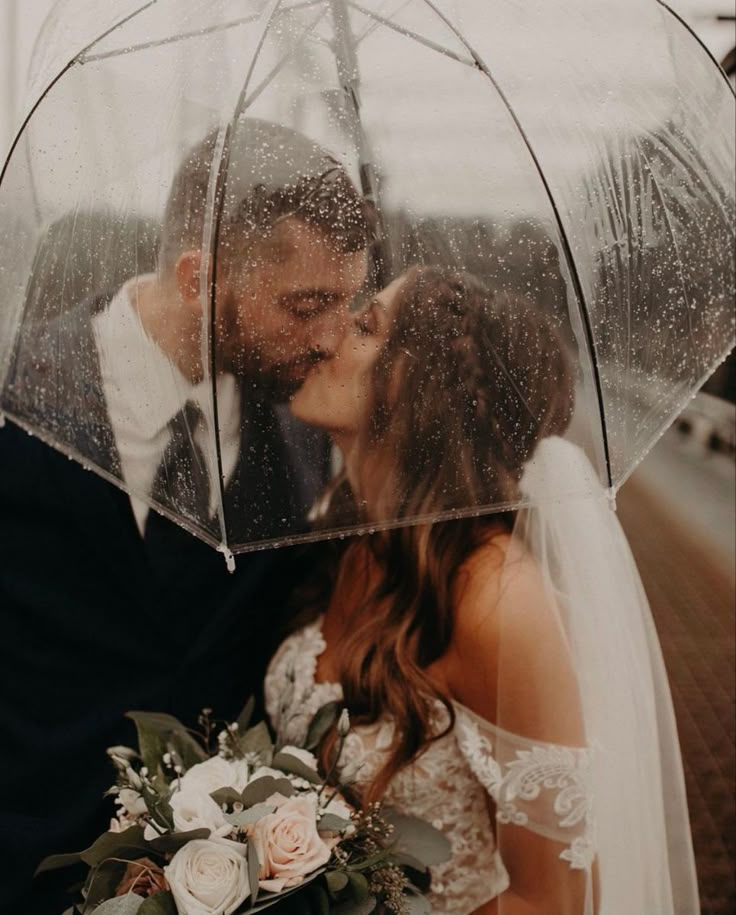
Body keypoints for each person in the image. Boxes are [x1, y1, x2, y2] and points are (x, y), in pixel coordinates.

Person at [0, 119, 371, 914]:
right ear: (200, 277)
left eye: (347, 302)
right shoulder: (14, 396)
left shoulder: (307, 428)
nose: (333, 337)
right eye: (308, 304)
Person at [265, 266, 700, 913]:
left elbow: (551, 900)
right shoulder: (353, 542)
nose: (327, 337)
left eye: (365, 326)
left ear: (419, 382)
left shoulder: (500, 600)